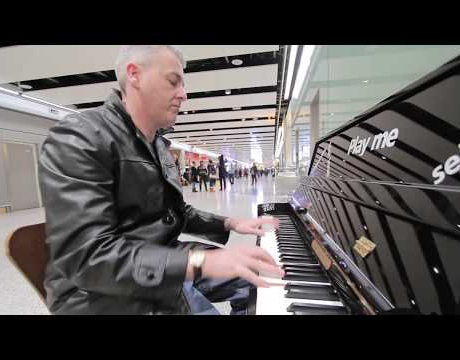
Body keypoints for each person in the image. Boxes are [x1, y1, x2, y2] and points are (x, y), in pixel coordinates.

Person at [38, 45, 283, 315]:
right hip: (105, 292)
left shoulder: (157, 144)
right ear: (135, 75)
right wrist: (200, 261)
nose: (183, 94)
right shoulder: (79, 138)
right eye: (173, 81)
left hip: (161, 262)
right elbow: (89, 258)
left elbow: (175, 212)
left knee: (259, 278)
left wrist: (231, 222)